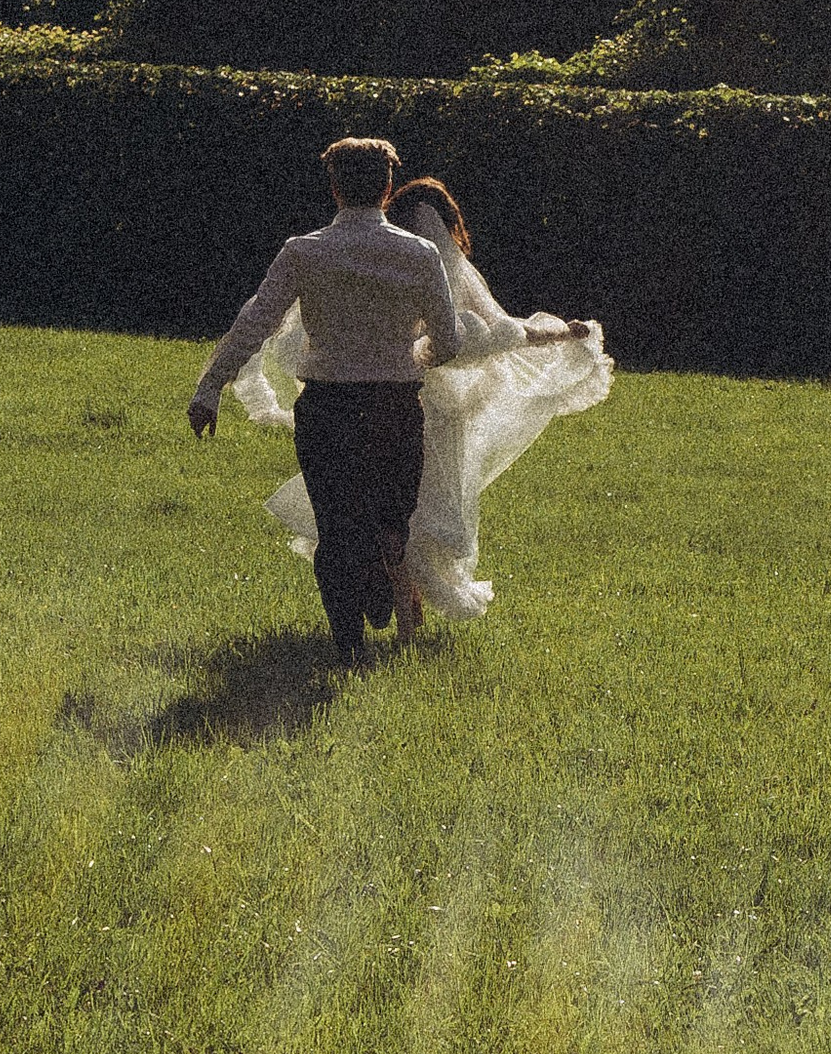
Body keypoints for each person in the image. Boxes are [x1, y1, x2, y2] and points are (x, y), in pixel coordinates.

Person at [222, 167, 609, 628]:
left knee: (378, 510)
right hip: (422, 403)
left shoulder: (372, 255)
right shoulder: (422, 261)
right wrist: (562, 331)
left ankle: (391, 603)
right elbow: (500, 332)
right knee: (410, 515)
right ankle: (404, 609)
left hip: (377, 396)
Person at [188, 134, 462, 660]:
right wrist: (408, 359)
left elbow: (253, 325)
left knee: (336, 526)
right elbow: (447, 341)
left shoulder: (304, 252)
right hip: (394, 405)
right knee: (391, 518)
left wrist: (209, 389)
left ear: (334, 188)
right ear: (388, 189)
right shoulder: (420, 253)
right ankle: (384, 577)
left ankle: (348, 645)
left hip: (330, 408)